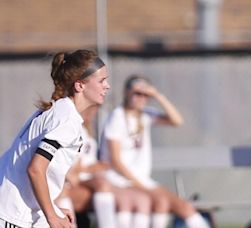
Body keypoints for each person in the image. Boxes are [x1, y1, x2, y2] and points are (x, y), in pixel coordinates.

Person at [0, 49, 110, 228]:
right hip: (11, 213)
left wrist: (53, 209)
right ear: (80, 85)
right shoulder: (67, 119)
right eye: (102, 80)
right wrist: (51, 216)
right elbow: (35, 169)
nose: (107, 86)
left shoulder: (59, 110)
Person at [100, 75, 210, 228]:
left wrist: (157, 95)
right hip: (120, 180)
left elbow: (177, 120)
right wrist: (141, 186)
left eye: (145, 95)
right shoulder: (117, 116)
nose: (141, 98)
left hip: (141, 180)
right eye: (137, 93)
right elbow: (116, 162)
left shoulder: (145, 115)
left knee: (179, 206)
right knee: (157, 202)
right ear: (126, 93)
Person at [55, 105, 152, 228]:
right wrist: (91, 169)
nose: (91, 114)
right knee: (103, 185)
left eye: (94, 111)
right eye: (89, 110)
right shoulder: (73, 129)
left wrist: (98, 167)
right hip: (74, 181)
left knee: (133, 199)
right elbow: (74, 168)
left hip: (87, 179)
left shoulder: (86, 132)